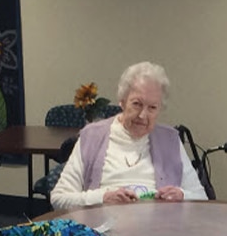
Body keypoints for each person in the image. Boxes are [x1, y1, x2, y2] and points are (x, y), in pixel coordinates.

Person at [50, 61, 208, 210]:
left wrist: (182, 195)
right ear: (122, 101)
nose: (143, 115)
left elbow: (202, 198)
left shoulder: (170, 140)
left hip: (160, 231)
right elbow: (59, 198)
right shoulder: (92, 137)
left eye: (152, 107)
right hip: (103, 231)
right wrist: (102, 198)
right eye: (137, 104)